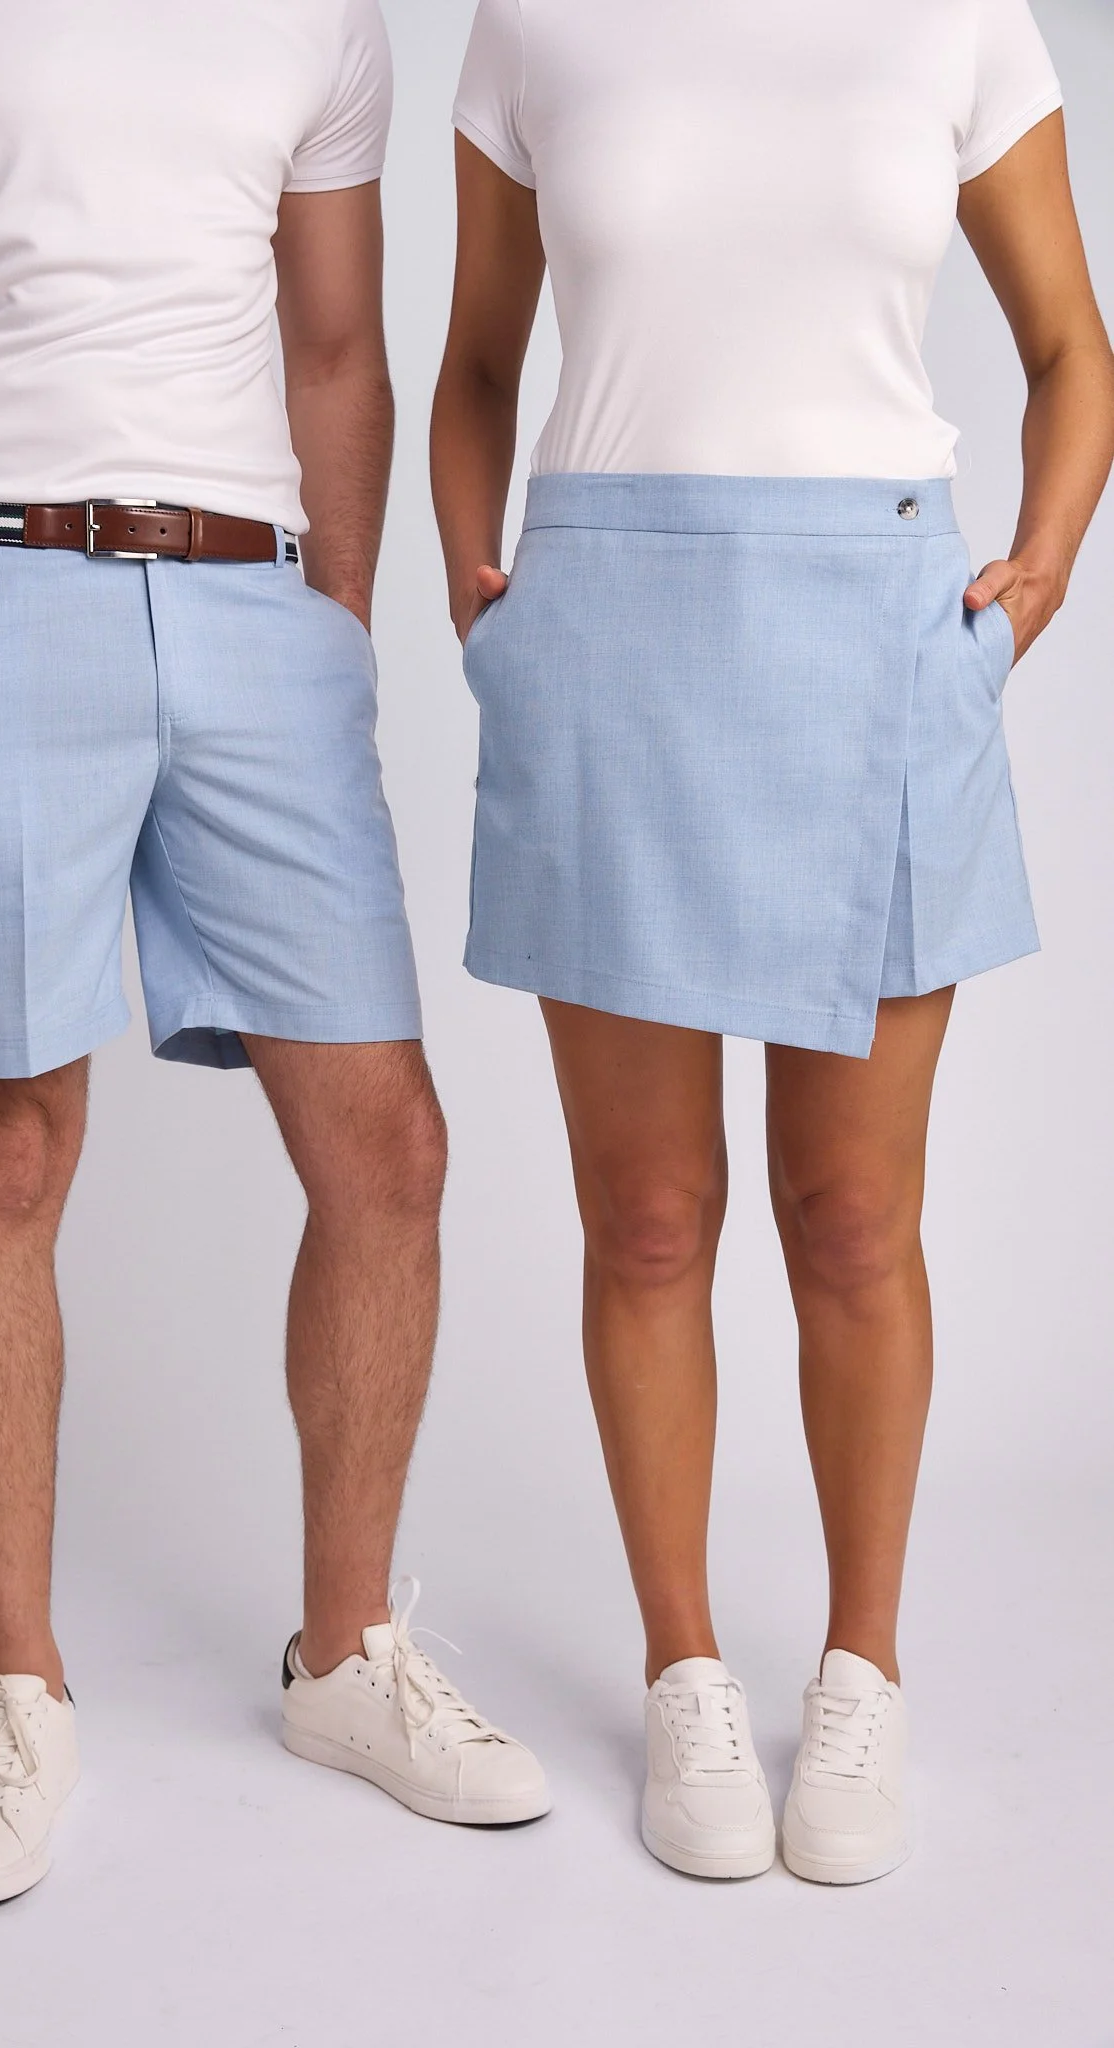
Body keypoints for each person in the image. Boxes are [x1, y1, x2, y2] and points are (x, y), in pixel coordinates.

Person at [0, 0, 549, 1911]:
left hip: (254, 605)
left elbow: (334, 347)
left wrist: (331, 633)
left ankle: (343, 1656)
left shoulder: (319, 15)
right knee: (6, 1151)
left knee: (388, 1148)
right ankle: (20, 1686)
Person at [432, 0, 1114, 1884]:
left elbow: (1072, 347)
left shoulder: (959, 18)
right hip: (609, 640)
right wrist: (483, 615)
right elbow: (476, 359)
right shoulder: (531, 20)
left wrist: (1030, 587)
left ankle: (861, 1669)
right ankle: (683, 1672)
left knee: (851, 1217)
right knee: (648, 1220)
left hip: (875, 635)